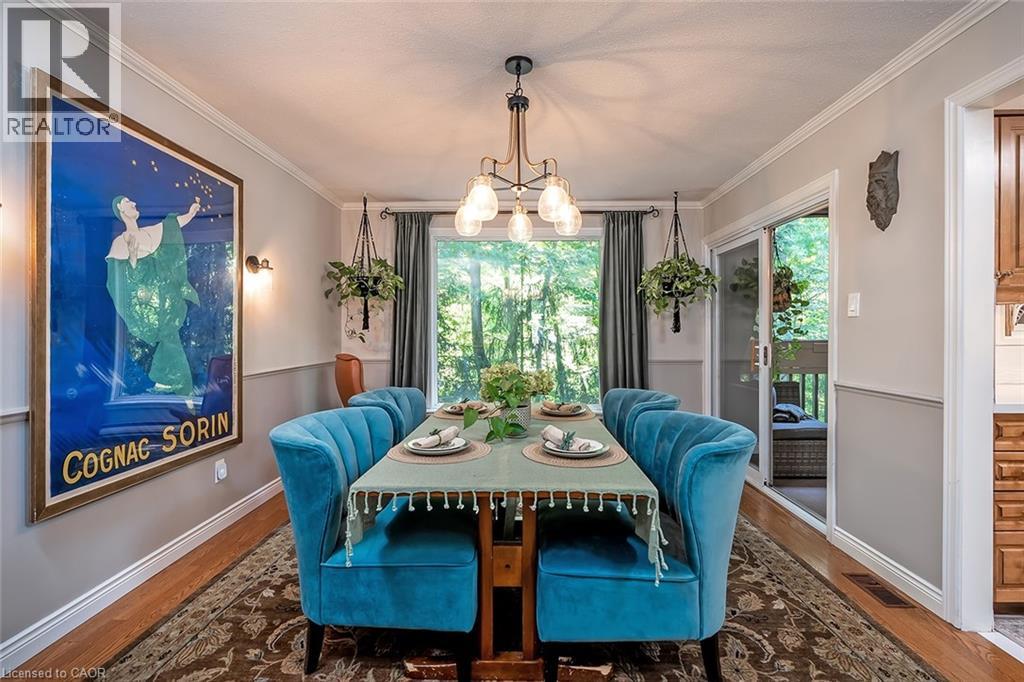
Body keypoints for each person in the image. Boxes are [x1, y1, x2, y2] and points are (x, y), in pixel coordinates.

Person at [106, 195, 201, 396]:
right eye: (128, 202)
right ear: (120, 209)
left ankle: (169, 384)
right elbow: (121, 283)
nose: (133, 203)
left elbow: (171, 226)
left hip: (167, 300)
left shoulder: (150, 232)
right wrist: (132, 257)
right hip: (146, 306)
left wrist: (191, 213)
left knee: (170, 337)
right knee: (169, 338)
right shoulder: (119, 243)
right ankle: (174, 386)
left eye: (132, 201)